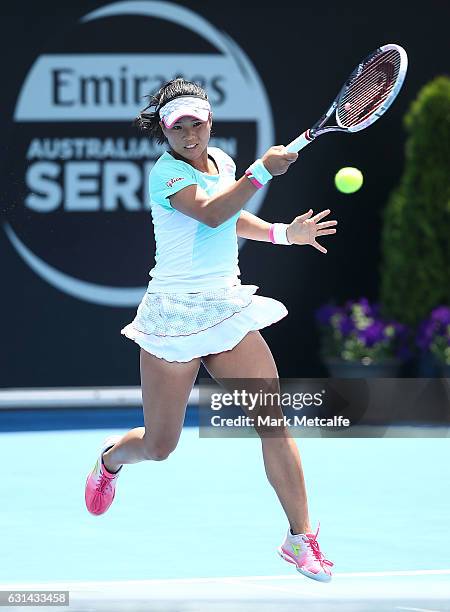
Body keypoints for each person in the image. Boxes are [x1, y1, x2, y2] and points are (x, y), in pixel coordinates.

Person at [85, 79, 337, 582]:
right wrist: (262, 171)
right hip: (173, 316)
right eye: (179, 126)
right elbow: (210, 213)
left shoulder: (221, 162)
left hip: (226, 309)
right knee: (160, 446)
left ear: (209, 122)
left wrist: (283, 234)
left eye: (196, 122)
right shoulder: (165, 175)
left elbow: (230, 217)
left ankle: (300, 539)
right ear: (166, 130)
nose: (190, 133)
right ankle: (111, 459)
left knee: (273, 420)